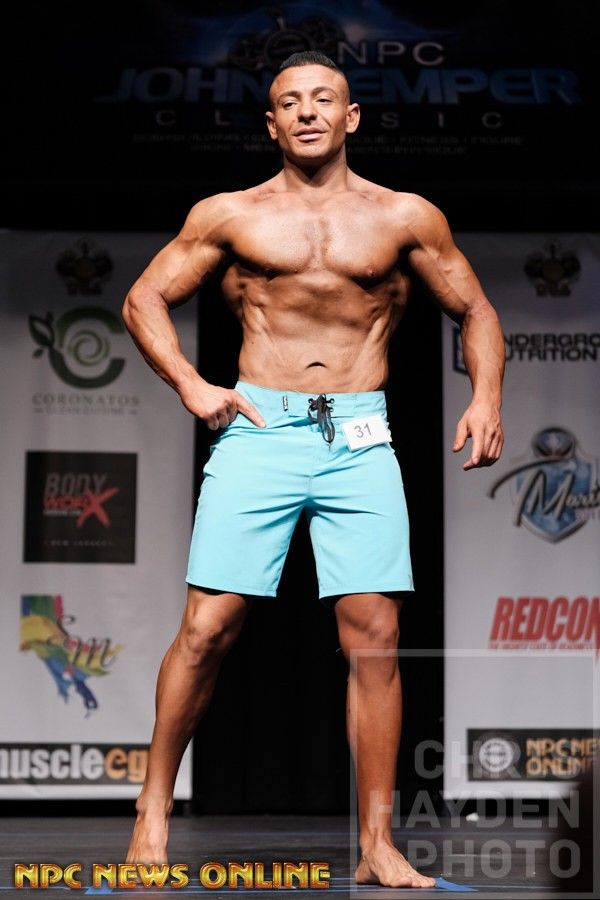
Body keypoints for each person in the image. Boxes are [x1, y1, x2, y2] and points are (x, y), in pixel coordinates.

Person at [122, 50, 504, 889]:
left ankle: (377, 842)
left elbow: (475, 308)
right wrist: (190, 383)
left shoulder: (405, 216)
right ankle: (152, 807)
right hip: (262, 428)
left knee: (375, 638)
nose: (306, 112)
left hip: (359, 435)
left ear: (350, 115)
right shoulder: (230, 214)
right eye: (289, 102)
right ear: (271, 123)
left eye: (322, 99)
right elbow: (143, 296)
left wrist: (486, 397)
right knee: (207, 628)